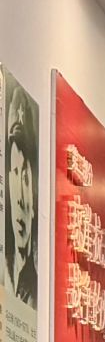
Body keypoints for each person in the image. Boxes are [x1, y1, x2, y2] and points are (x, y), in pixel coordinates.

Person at [5, 81, 35, 307]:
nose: (19, 200)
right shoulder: (4, 272)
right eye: (14, 175)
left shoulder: (36, 290)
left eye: (25, 179)